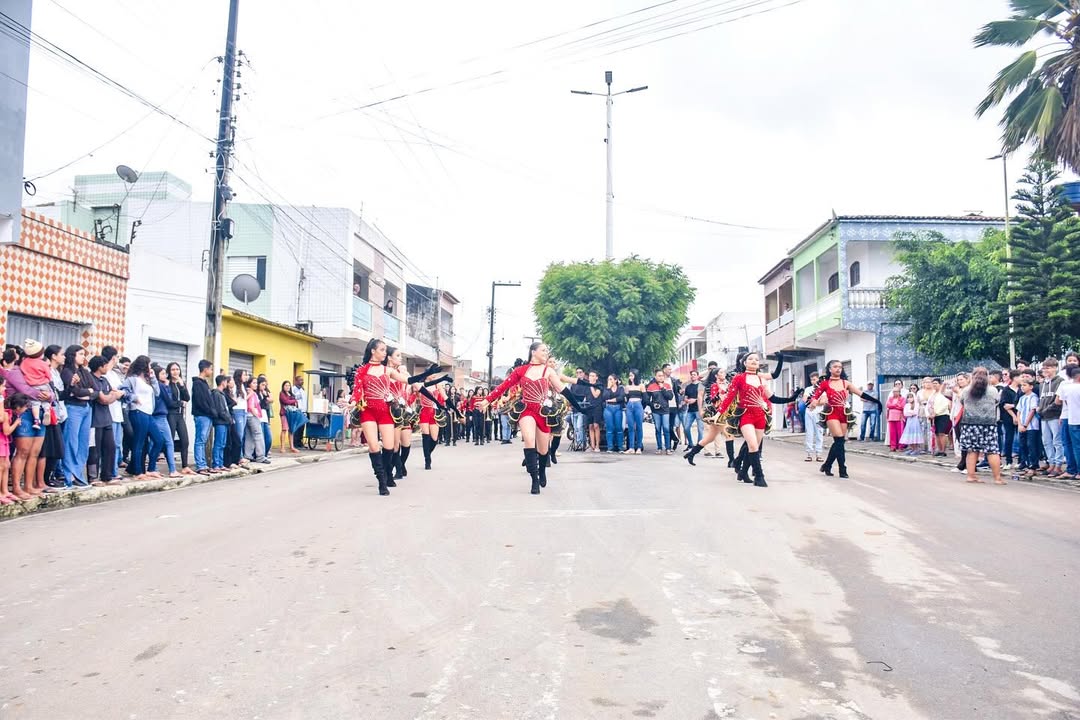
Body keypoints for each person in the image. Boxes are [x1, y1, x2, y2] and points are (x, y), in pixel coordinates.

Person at [478, 342, 582, 494]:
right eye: (543, 350)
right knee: (528, 438)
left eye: (547, 350)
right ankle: (534, 479)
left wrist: (579, 407)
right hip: (526, 409)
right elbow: (503, 386)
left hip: (543, 412)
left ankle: (542, 471)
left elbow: (564, 390)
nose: (546, 352)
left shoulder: (548, 371)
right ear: (533, 352)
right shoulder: (521, 370)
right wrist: (486, 400)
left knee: (543, 449)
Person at [351, 338, 444, 495]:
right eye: (382, 350)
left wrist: (428, 373)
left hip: (385, 411)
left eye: (385, 350)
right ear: (373, 351)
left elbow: (408, 380)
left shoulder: (387, 370)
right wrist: (352, 403)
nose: (384, 353)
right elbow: (357, 391)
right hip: (367, 411)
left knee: (389, 447)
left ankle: (388, 472)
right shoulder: (362, 371)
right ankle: (382, 482)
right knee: (374, 446)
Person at [810, 360, 882, 479]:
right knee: (839, 439)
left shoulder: (846, 383)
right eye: (835, 366)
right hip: (831, 412)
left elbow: (861, 394)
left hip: (843, 413)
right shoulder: (825, 383)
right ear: (830, 369)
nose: (838, 369)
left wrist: (877, 401)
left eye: (840, 367)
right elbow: (815, 396)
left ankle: (827, 465)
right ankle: (842, 469)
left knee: (839, 442)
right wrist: (814, 402)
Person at [714, 352, 774, 487]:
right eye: (750, 359)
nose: (754, 361)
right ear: (745, 363)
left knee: (753, 447)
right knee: (752, 445)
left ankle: (743, 472)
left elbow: (771, 397)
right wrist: (719, 413)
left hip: (760, 416)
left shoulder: (761, 379)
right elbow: (730, 397)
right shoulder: (739, 378)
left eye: (757, 359)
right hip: (746, 415)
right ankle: (759, 476)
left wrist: (791, 398)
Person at [958, 367, 1005, 484]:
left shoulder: (966, 390)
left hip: (970, 424)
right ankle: (997, 478)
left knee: (972, 450)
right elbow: (997, 402)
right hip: (988, 424)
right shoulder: (993, 390)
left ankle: (971, 476)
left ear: (972, 376)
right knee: (992, 451)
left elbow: (962, 402)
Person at [60, 345, 95, 487]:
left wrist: (86, 393)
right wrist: (87, 392)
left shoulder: (84, 371)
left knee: (83, 443)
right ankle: (69, 474)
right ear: (72, 355)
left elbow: (95, 390)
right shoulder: (67, 372)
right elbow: (76, 392)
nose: (83, 357)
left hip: (86, 408)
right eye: (80, 354)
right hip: (73, 408)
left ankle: (78, 474)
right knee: (71, 442)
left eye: (83, 354)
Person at [124, 355, 163, 480]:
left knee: (159, 440)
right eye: (149, 365)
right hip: (137, 411)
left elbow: (157, 393)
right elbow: (123, 391)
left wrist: (153, 378)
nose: (150, 367)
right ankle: (138, 472)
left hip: (148, 413)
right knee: (139, 442)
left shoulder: (147, 379)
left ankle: (151, 469)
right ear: (143, 365)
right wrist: (134, 398)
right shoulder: (132, 379)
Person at [87, 356, 123, 485]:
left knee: (110, 447)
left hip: (107, 418)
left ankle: (107, 475)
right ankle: (93, 477)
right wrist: (113, 396)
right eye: (106, 365)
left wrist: (112, 396)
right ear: (100, 366)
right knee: (94, 450)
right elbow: (104, 399)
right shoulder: (91, 379)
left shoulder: (104, 380)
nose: (107, 367)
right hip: (94, 420)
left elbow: (113, 394)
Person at [1037, 357, 1065, 477]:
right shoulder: (1042, 384)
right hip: (1044, 417)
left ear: (1055, 368)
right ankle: (1051, 463)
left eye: (1048, 368)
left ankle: (1058, 465)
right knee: (1046, 441)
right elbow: (1041, 399)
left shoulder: (1060, 381)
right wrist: (1040, 409)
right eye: (1044, 368)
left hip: (1054, 415)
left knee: (1057, 441)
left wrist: (1045, 409)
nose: (1045, 370)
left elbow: (1057, 401)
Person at [163, 362, 193, 473]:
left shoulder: (181, 383)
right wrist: (180, 403)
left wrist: (182, 385)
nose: (175, 372)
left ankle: (185, 466)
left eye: (177, 369)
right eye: (173, 369)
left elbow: (187, 398)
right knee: (169, 441)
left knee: (185, 441)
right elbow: (169, 402)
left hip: (180, 415)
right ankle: (171, 466)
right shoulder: (167, 384)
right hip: (171, 414)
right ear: (169, 371)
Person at [1, 391, 30, 502]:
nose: (26, 409)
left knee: (6, 465)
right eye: (25, 407)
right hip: (2, 440)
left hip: (5, 442)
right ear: (18, 407)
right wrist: (16, 423)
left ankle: (5, 491)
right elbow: (7, 431)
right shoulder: (6, 414)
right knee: (1, 467)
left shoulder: (9, 413)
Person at [20, 339, 53, 429]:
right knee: (46, 400)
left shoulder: (24, 362)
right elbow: (49, 375)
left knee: (35, 403)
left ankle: (36, 420)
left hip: (32, 386)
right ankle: (47, 411)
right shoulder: (43, 363)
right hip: (43, 384)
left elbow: (23, 372)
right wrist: (47, 379)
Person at [191, 360, 215, 474]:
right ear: (205, 369)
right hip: (202, 415)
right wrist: (210, 411)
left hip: (207, 415)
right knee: (200, 440)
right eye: (210, 369)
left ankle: (203, 463)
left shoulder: (204, 383)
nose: (211, 371)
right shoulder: (197, 383)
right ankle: (200, 465)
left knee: (203, 440)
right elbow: (201, 401)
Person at [1057, 365, 1080, 480]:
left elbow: (1061, 402)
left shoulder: (1066, 387)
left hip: (1072, 419)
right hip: (1072, 419)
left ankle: (1075, 470)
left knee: (1075, 446)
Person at [1016, 377, 1041, 478]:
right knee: (1023, 446)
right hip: (1022, 425)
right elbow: (1018, 411)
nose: (1022, 387)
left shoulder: (1033, 397)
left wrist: (1025, 424)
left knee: (1031, 446)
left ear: (1031, 386)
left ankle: (1033, 466)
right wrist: (1019, 424)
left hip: (1031, 426)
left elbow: (1032, 411)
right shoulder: (1022, 398)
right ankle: (1026, 465)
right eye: (1021, 385)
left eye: (1025, 385)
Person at [210, 375, 233, 472]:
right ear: (223, 382)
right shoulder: (217, 394)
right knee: (218, 443)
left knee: (223, 444)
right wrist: (229, 419)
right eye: (226, 381)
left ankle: (220, 463)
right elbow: (221, 410)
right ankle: (216, 464)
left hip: (224, 422)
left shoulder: (221, 394)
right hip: (220, 422)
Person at [243, 377, 269, 463]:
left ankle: (248, 455)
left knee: (249, 436)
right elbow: (251, 406)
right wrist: (257, 416)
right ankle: (260, 456)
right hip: (252, 416)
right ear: (249, 384)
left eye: (256, 383)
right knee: (258, 436)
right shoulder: (252, 393)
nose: (256, 385)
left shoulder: (248, 392)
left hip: (248, 416)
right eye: (254, 383)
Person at [802, 371, 824, 461]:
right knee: (809, 433)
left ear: (818, 379)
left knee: (819, 433)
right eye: (811, 380)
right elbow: (804, 399)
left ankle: (819, 453)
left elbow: (823, 401)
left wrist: (814, 403)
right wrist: (814, 402)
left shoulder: (823, 389)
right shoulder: (808, 389)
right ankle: (809, 453)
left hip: (818, 413)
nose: (813, 381)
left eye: (814, 379)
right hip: (809, 412)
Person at [602, 374, 625, 453]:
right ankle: (610, 447)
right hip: (608, 408)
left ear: (615, 380)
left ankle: (620, 447)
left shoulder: (620, 388)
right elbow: (604, 397)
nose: (609, 381)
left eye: (611, 379)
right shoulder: (606, 389)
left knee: (619, 427)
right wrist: (608, 388)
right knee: (609, 428)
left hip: (618, 408)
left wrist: (611, 400)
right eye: (608, 379)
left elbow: (621, 398)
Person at [682, 370, 703, 448]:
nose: (693, 376)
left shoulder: (701, 385)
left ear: (697, 376)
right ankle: (690, 444)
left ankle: (699, 445)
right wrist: (687, 400)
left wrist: (695, 400)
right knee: (686, 428)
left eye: (694, 374)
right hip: (690, 410)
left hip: (699, 409)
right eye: (691, 374)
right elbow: (685, 398)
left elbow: (704, 397)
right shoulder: (688, 387)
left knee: (700, 429)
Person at [279, 380, 300, 453]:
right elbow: (285, 401)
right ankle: (282, 447)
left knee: (291, 430)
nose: (287, 387)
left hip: (291, 414)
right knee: (284, 429)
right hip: (284, 413)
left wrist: (294, 401)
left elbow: (296, 403)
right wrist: (293, 401)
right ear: (283, 386)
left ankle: (292, 447)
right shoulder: (282, 394)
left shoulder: (291, 394)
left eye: (288, 385)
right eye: (286, 385)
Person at [885, 381, 906, 451]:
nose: (895, 393)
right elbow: (888, 405)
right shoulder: (890, 398)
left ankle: (900, 446)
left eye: (896, 391)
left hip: (899, 417)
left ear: (899, 392)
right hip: (891, 417)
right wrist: (895, 405)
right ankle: (893, 446)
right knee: (892, 433)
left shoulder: (902, 398)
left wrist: (893, 406)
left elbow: (902, 406)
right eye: (893, 391)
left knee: (900, 432)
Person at [585, 371, 603, 452]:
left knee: (596, 425)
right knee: (590, 426)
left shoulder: (599, 385)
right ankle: (592, 445)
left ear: (596, 377)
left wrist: (591, 386)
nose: (591, 377)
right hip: (589, 407)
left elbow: (596, 395)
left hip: (597, 407)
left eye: (593, 376)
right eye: (590, 376)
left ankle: (597, 446)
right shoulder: (586, 385)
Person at [291, 375, 308, 451]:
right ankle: (295, 443)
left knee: (301, 428)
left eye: (302, 380)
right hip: (297, 411)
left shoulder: (303, 390)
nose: (302, 381)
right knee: (297, 428)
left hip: (303, 411)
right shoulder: (293, 389)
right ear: (296, 381)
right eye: (300, 380)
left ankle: (300, 443)